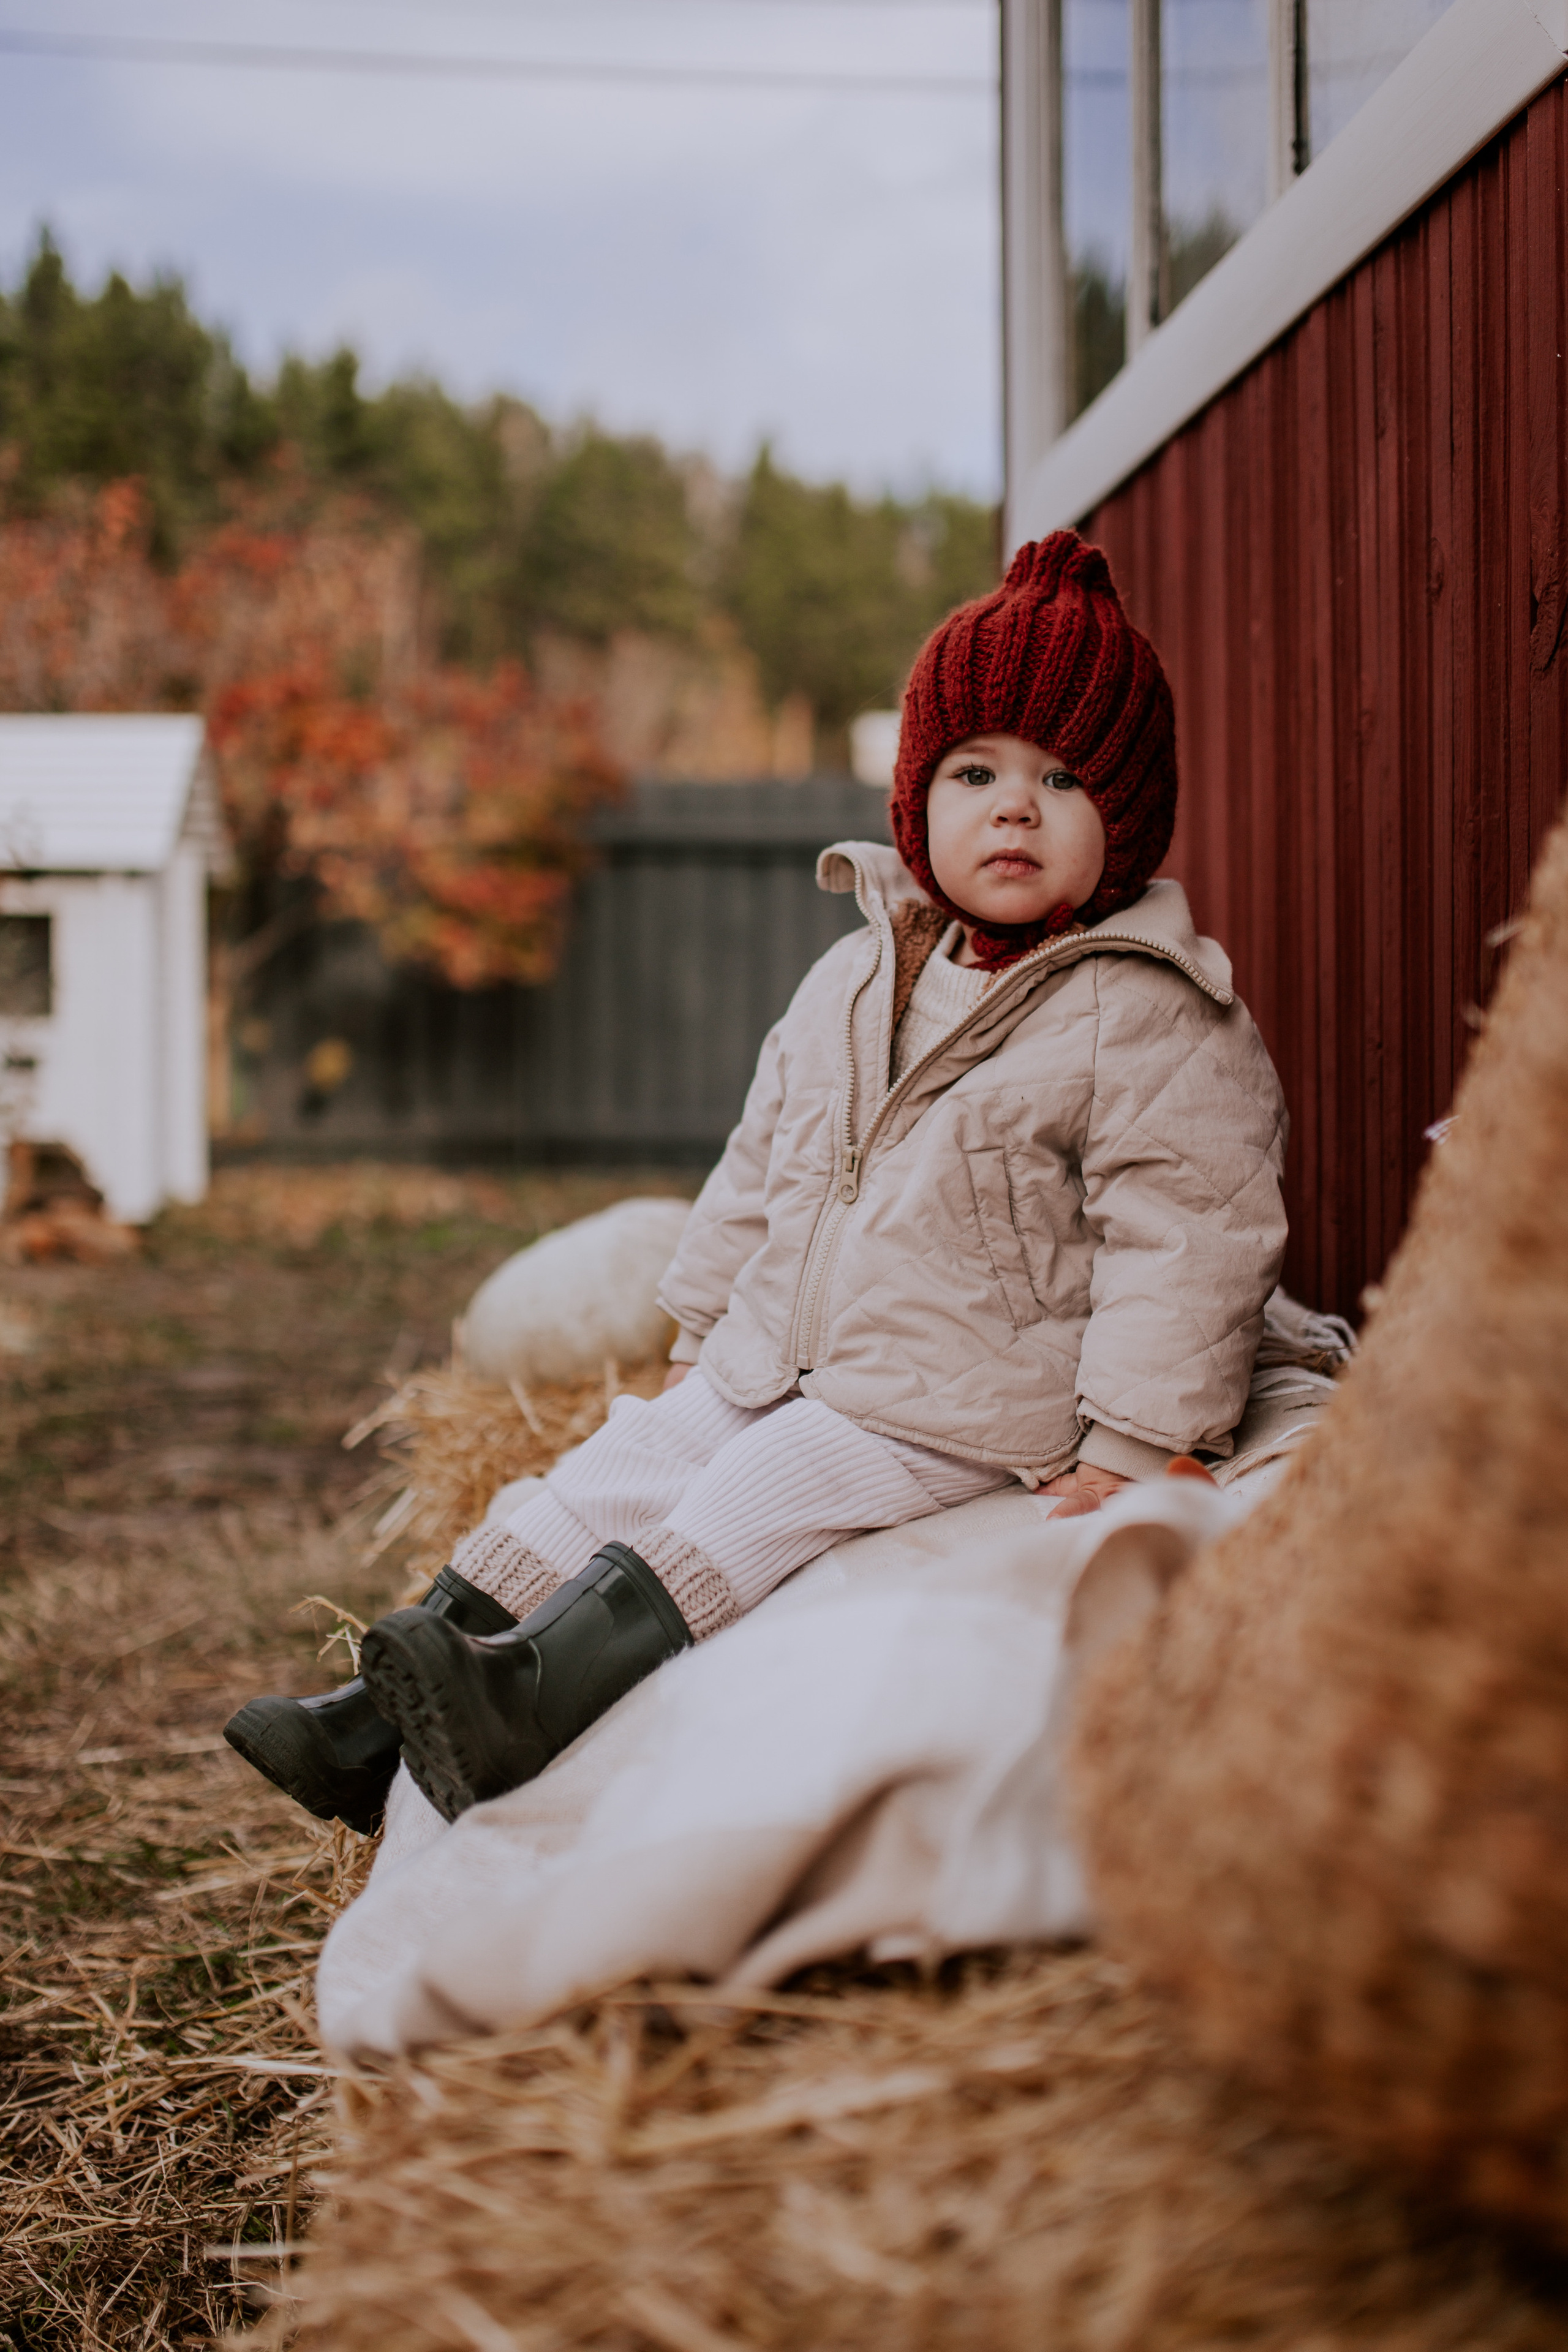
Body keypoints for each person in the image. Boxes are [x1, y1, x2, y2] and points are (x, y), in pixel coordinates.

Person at [225, 530, 1287, 1833]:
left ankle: (530, 1701)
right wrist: (698, 1331)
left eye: (1060, 777)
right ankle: (379, 1714)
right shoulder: (851, 976)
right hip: (787, 1348)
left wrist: (1131, 1440)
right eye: (974, 770)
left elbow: (1193, 1237)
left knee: (753, 1491)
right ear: (917, 800)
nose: (1012, 805)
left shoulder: (1146, 1014)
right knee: (618, 1463)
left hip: (954, 1392)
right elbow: (762, 1157)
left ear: (1121, 820)